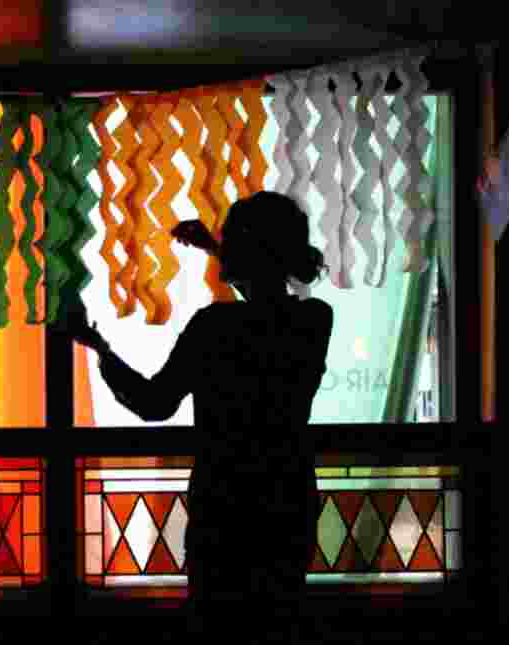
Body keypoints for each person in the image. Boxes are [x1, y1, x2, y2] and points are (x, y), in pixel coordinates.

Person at [69, 191, 333, 623]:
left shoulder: (213, 328)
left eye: (231, 239)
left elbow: (154, 403)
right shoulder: (315, 321)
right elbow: (268, 306)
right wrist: (220, 250)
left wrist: (100, 348)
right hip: (287, 498)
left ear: (245, 251)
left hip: (223, 503)